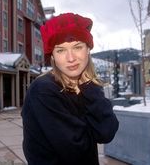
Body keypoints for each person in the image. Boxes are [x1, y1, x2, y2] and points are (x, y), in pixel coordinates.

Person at [21, 12, 119, 165]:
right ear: (52, 56)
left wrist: (89, 87)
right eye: (61, 50)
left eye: (77, 47)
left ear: (88, 49)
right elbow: (76, 150)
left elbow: (106, 133)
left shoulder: (86, 86)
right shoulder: (43, 90)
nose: (71, 58)